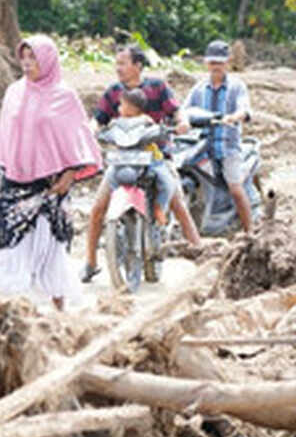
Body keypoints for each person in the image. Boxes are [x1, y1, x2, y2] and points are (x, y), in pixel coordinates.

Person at [0, 35, 101, 311]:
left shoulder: (64, 96)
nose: (27, 64)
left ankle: (59, 314)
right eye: (24, 58)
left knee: (50, 251)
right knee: (12, 249)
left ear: (48, 61)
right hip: (14, 186)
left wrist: (69, 176)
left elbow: (77, 138)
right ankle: (14, 313)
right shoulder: (14, 93)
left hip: (50, 188)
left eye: (34, 58)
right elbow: (4, 138)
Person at [82, 44, 200, 283]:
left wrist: (182, 122)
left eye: (123, 63)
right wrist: (91, 130)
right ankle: (91, 262)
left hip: (156, 156)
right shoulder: (114, 92)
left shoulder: (157, 87)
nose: (118, 69)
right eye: (116, 64)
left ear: (138, 66)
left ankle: (201, 255)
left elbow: (177, 111)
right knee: (97, 209)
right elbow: (99, 118)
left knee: (176, 202)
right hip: (124, 157)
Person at [178, 39, 254, 232]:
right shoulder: (199, 89)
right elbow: (183, 110)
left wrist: (234, 117)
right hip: (202, 148)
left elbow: (244, 109)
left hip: (228, 148)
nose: (216, 67)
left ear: (227, 62)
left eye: (219, 63)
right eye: (212, 63)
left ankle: (250, 233)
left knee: (235, 189)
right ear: (206, 63)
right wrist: (181, 121)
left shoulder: (236, 87)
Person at [104, 88, 176, 226]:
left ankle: (159, 207)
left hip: (149, 159)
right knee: (111, 176)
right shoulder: (117, 122)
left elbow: (156, 130)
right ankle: (116, 200)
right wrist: (104, 134)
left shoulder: (145, 121)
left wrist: (160, 131)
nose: (119, 108)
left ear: (133, 107)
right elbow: (108, 131)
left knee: (166, 182)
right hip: (124, 159)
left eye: (122, 104)